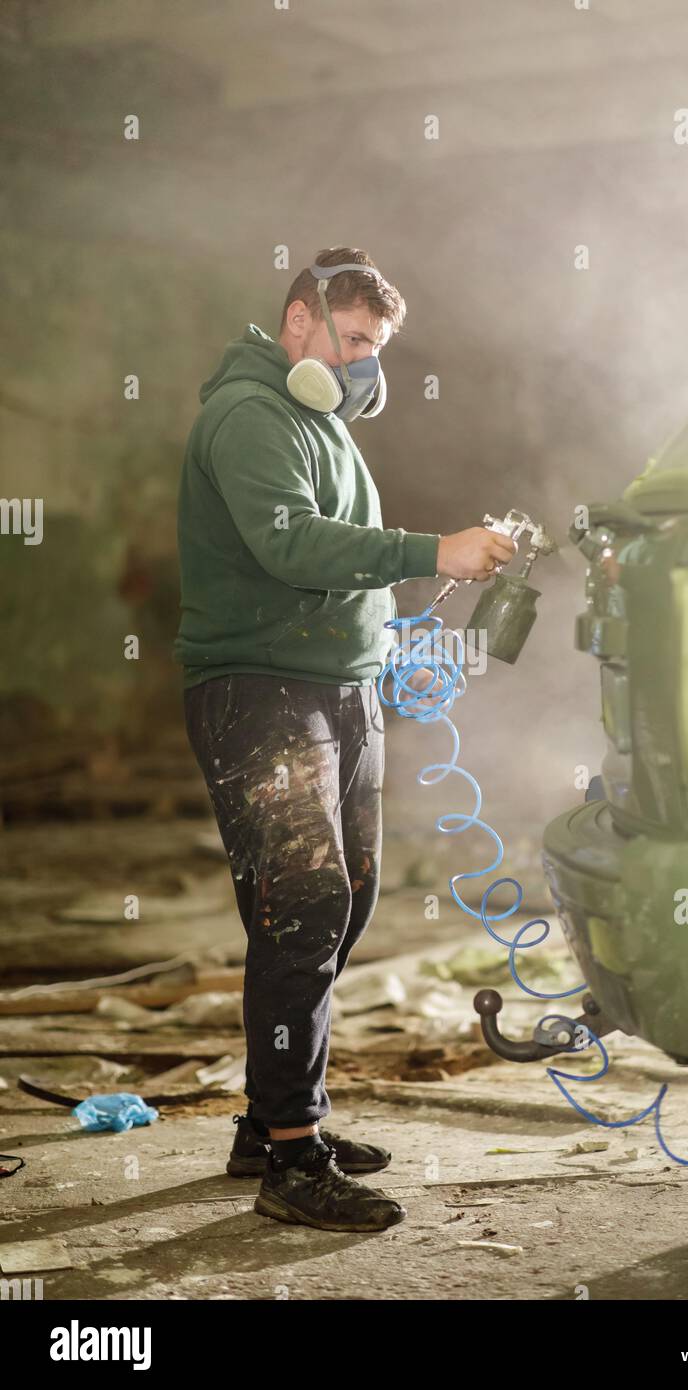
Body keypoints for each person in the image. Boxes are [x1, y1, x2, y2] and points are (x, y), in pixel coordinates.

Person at [174, 246, 517, 1232]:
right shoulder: (248, 416)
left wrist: (390, 643)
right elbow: (289, 543)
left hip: (334, 689)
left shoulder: (316, 421)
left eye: (378, 346)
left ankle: (271, 1123)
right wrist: (429, 550)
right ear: (299, 325)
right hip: (260, 692)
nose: (367, 363)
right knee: (304, 902)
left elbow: (332, 568)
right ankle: (290, 1158)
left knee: (341, 900)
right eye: (357, 340)